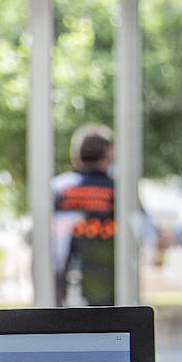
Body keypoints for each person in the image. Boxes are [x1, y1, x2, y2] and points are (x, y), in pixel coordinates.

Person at [52, 125, 116, 306]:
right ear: (107, 153)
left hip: (61, 290)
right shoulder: (118, 191)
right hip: (109, 289)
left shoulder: (59, 189)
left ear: (76, 156)